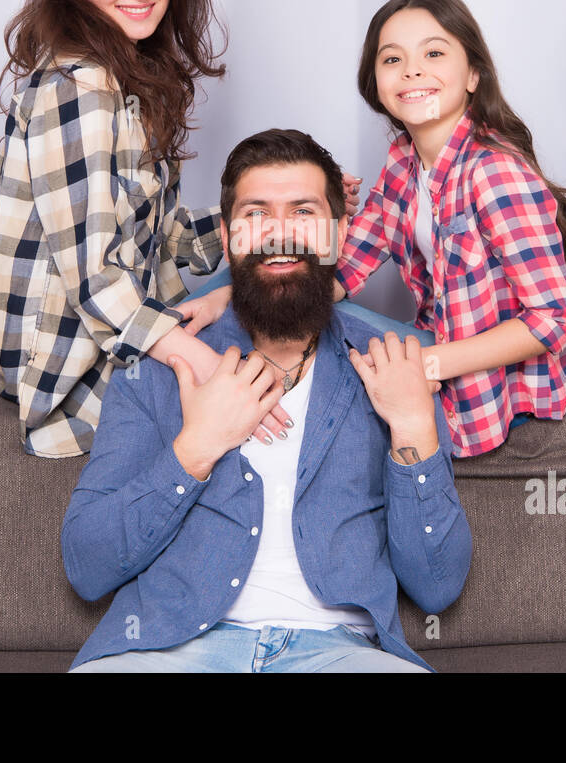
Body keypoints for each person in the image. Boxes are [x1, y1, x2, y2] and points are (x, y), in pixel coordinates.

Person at [0, 0, 360, 457]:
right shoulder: (77, 89)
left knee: (288, 273)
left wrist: (268, 215)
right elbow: (98, 280)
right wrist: (206, 365)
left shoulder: (127, 82)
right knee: (286, 367)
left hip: (131, 331)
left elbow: (155, 236)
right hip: (68, 377)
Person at [62, 130, 472, 672]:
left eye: (303, 212)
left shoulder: (393, 367)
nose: (280, 233)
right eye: (256, 214)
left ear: (338, 234)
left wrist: (414, 428)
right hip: (167, 651)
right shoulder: (158, 370)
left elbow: (438, 586)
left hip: (338, 653)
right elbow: (87, 567)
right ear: (228, 237)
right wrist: (196, 449)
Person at [331, 0, 566, 458]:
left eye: (433, 53)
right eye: (392, 59)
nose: (411, 70)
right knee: (302, 318)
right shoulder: (402, 161)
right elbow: (346, 267)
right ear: (376, 82)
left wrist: (427, 366)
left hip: (504, 396)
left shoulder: (493, 172)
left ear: (473, 75)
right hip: (442, 343)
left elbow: (554, 320)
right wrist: (314, 209)